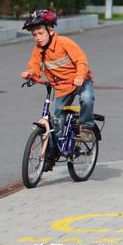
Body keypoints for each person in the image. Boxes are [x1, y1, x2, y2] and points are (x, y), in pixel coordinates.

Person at [20, 9, 96, 149]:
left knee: (87, 98)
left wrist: (79, 76)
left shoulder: (64, 42)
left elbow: (81, 60)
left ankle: (86, 127)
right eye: (34, 34)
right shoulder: (38, 50)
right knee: (58, 116)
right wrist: (30, 73)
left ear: (51, 31)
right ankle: (54, 150)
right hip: (63, 86)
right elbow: (35, 67)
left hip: (80, 80)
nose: (37, 37)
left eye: (41, 33)